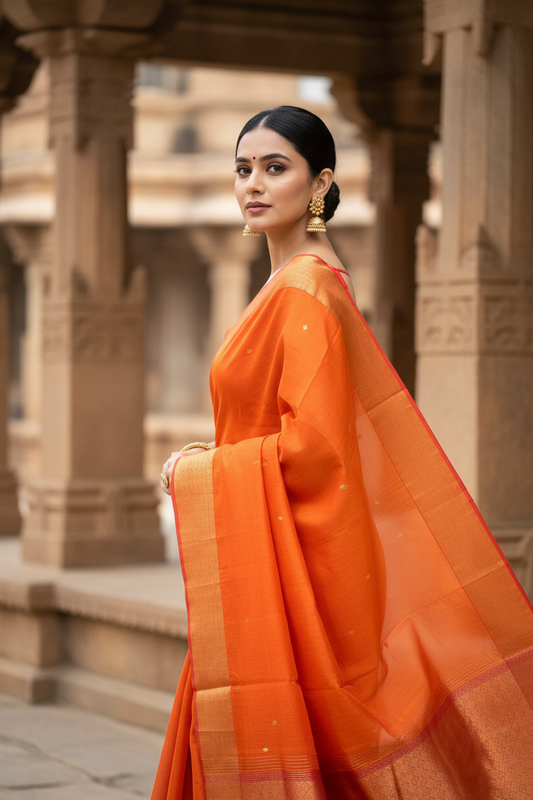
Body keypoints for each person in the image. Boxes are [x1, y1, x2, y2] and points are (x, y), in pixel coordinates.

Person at [152, 106, 533, 800]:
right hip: (258, 556)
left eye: (276, 167)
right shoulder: (284, 285)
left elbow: (314, 453)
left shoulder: (308, 287)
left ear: (320, 184)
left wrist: (196, 471)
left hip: (287, 562)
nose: (253, 184)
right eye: (243, 169)